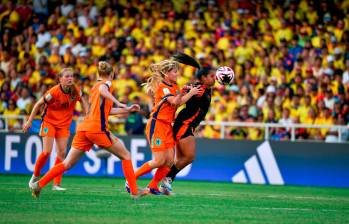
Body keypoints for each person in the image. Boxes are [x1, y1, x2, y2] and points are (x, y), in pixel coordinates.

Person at [29, 61, 144, 199]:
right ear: (111, 74)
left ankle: (39, 184)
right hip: (97, 129)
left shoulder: (94, 87)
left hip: (84, 128)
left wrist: (127, 109)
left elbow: (105, 111)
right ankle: (134, 191)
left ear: (98, 73)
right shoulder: (105, 85)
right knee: (126, 155)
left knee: (67, 163)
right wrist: (119, 102)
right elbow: (104, 89)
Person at [130, 59, 201, 195]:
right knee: (159, 160)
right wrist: (190, 93)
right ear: (166, 73)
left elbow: (178, 102)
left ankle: (152, 186)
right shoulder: (163, 87)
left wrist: (185, 93)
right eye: (175, 72)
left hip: (168, 125)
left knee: (169, 162)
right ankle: (131, 178)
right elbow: (174, 101)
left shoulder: (174, 86)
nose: (177, 74)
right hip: (157, 124)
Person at [23, 68, 87, 191]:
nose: (70, 78)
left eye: (71, 76)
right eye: (67, 76)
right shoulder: (54, 92)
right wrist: (30, 120)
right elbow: (38, 104)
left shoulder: (76, 90)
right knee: (47, 152)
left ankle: (56, 184)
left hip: (64, 125)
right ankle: (35, 176)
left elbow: (82, 101)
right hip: (49, 122)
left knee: (62, 153)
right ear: (60, 79)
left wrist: (87, 115)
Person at [160, 66, 215, 194]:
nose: (215, 78)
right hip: (184, 124)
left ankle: (165, 184)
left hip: (186, 124)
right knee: (189, 156)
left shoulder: (206, 89)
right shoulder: (199, 88)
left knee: (180, 159)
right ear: (203, 78)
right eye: (211, 76)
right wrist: (188, 90)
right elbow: (188, 92)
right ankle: (166, 178)